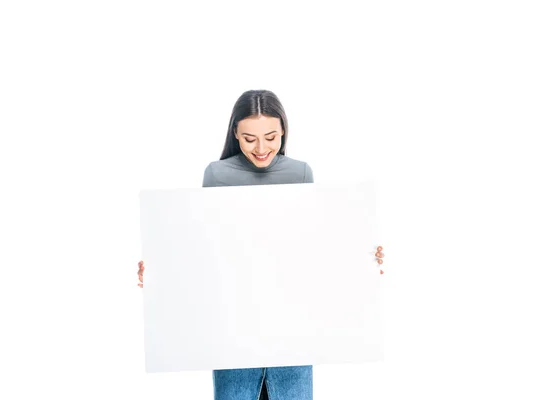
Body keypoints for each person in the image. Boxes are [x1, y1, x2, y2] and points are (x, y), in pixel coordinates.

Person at [136, 89, 385, 400]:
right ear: (235, 134)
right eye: (249, 138)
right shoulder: (216, 175)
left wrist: (362, 256)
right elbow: (203, 254)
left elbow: (314, 250)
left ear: (283, 130)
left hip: (292, 325)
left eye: (271, 136)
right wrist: (161, 268)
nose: (262, 148)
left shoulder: (300, 173)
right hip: (233, 327)